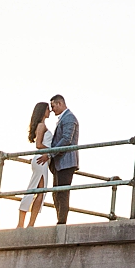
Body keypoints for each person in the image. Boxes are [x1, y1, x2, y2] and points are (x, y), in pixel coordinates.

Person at [17, 102, 52, 227]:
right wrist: (50, 152)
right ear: (43, 111)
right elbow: (38, 145)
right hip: (41, 160)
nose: (50, 111)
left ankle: (27, 223)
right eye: (48, 109)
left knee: (37, 191)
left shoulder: (42, 125)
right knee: (38, 192)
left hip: (42, 160)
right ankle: (26, 224)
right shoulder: (41, 125)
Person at [48, 95, 79, 225]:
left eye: (53, 106)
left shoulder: (69, 118)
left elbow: (66, 139)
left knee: (62, 193)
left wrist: (51, 153)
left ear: (60, 103)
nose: (52, 110)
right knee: (56, 193)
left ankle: (61, 222)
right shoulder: (65, 118)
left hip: (66, 161)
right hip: (61, 162)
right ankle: (60, 220)